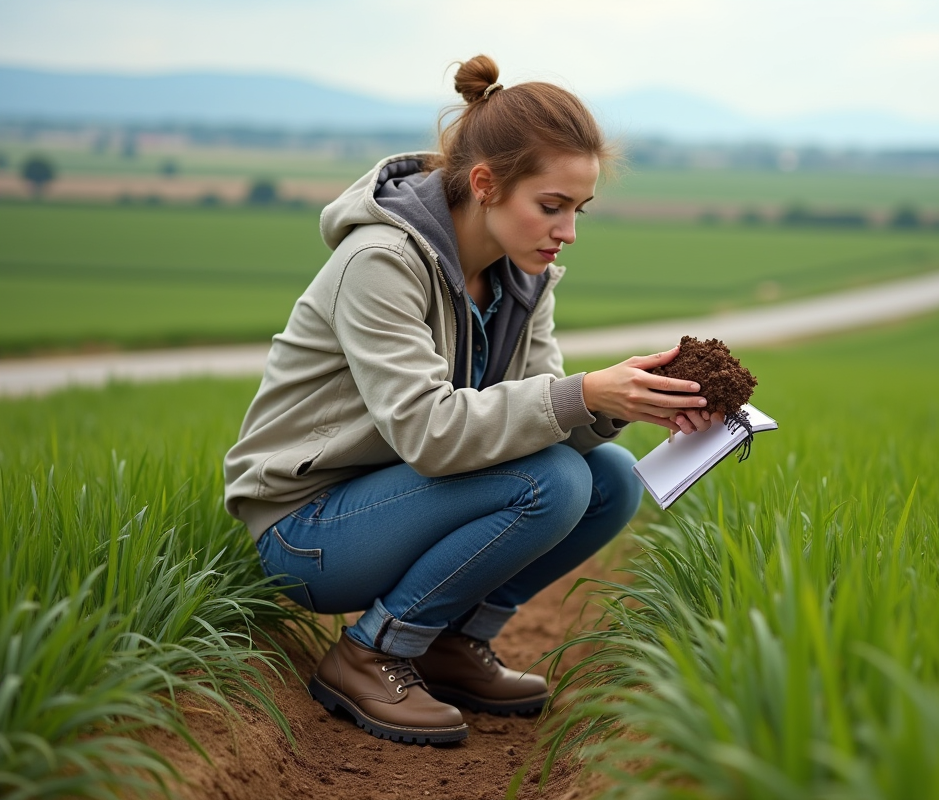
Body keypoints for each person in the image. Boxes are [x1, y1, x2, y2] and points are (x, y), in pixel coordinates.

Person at [223, 55, 717, 745]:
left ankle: (448, 643)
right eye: (552, 206)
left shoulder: (524, 279)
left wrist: (621, 404)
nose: (568, 230)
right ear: (485, 184)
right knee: (550, 481)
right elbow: (431, 434)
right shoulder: (381, 263)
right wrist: (582, 393)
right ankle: (370, 654)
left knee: (608, 479)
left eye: (579, 209)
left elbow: (540, 415)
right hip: (307, 532)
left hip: (404, 498)